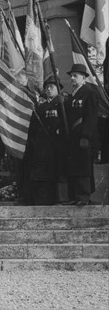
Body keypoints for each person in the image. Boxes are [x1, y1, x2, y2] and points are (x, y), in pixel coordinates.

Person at [23, 77, 67, 205]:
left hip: (58, 143)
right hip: (43, 145)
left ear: (59, 89)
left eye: (51, 87)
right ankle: (43, 198)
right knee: (43, 172)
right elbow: (35, 126)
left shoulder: (63, 104)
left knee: (57, 170)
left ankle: (58, 198)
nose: (48, 89)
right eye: (47, 87)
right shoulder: (42, 107)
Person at [64, 64, 99, 206]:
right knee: (74, 165)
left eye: (75, 76)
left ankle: (84, 196)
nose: (72, 78)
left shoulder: (89, 92)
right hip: (73, 137)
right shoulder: (73, 94)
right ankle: (75, 195)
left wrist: (86, 136)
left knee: (84, 166)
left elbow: (91, 116)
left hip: (83, 136)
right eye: (71, 76)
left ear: (84, 77)